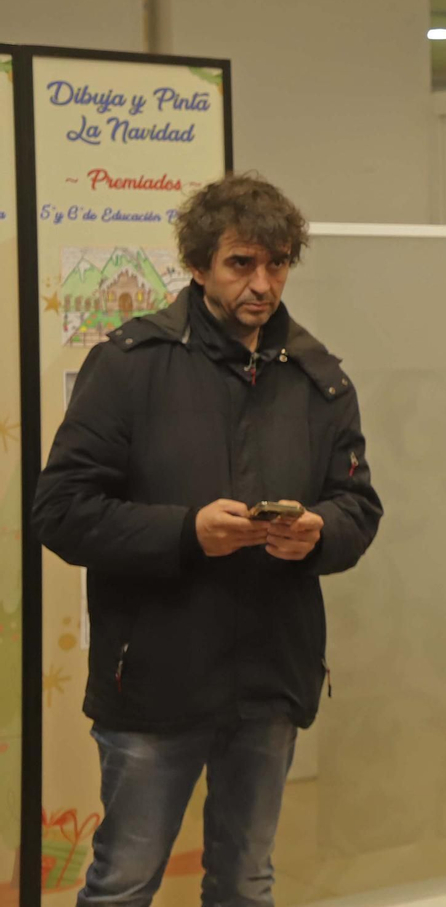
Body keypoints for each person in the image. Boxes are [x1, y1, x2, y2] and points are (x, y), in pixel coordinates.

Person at [32, 172, 383, 907]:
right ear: (197, 264)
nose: (264, 283)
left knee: (246, 882)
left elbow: (359, 505)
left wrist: (319, 534)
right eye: (242, 263)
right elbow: (60, 510)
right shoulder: (128, 365)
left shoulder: (319, 377)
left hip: (271, 678)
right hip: (156, 677)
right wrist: (187, 532)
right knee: (125, 882)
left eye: (279, 262)